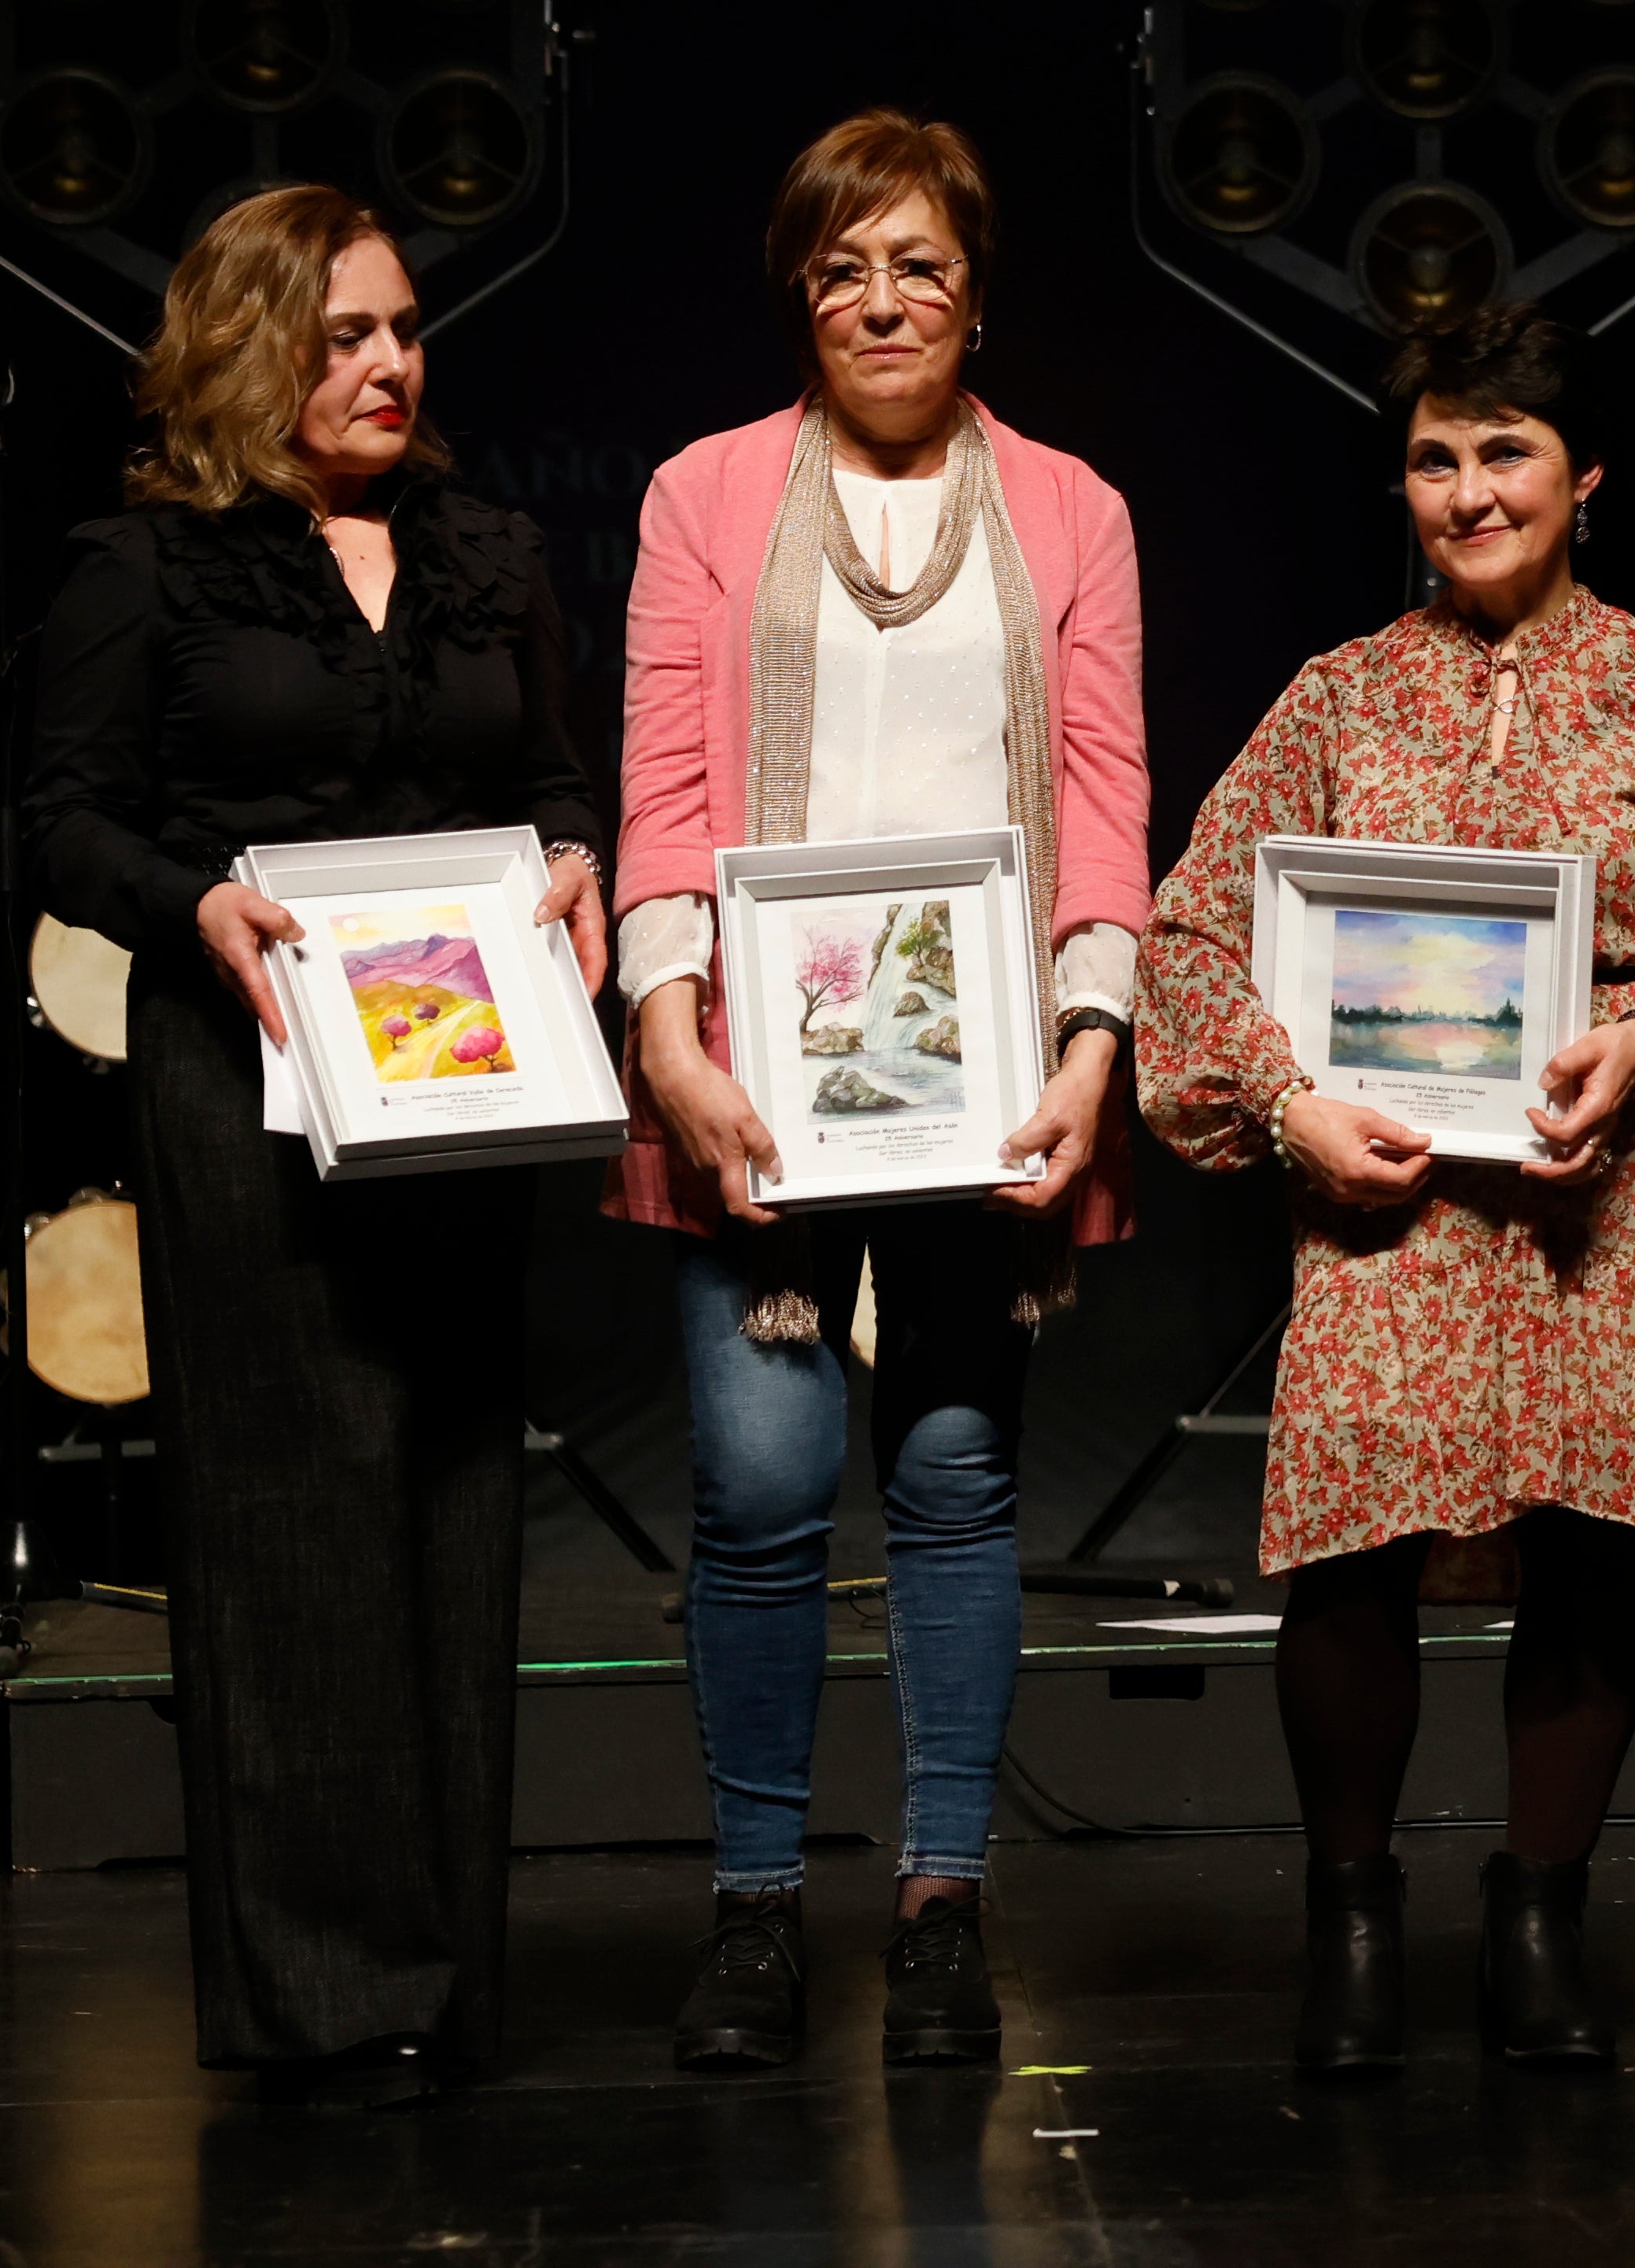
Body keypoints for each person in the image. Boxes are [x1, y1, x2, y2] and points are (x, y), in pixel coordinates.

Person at [1134, 303, 1635, 2074]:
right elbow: (1194, 935)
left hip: (1616, 1191)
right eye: (1437, 459)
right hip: (1394, 1200)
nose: (1469, 491)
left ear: (1583, 475)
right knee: (1354, 1555)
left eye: (1505, 451)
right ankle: (1353, 1926)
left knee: (1587, 1556)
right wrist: (1283, 1106)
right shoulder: (1338, 695)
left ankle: (1540, 1920)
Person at [24, 186, 611, 2104]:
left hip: (459, 1087)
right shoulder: (153, 563)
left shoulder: (482, 547)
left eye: (403, 329)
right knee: (290, 1526)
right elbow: (67, 822)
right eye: (342, 334)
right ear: (249, 348)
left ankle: (446, 1975)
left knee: (449, 1503)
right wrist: (192, 902)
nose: (387, 364)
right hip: (246, 1084)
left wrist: (577, 862)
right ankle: (316, 1993)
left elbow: (543, 782)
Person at [608, 110, 1150, 2071]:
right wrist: (670, 1036)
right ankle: (756, 1908)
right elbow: (663, 784)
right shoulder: (702, 494)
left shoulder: (1075, 510)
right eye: (843, 267)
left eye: (917, 262)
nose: (882, 297)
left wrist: (1093, 1044)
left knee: (947, 1477)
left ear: (977, 291)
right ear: (800, 297)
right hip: (756, 1081)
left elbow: (1104, 800)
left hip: (985, 1086)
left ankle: (940, 1901)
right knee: (756, 1493)